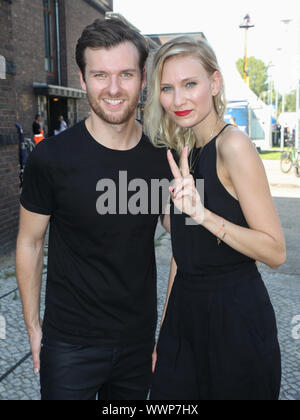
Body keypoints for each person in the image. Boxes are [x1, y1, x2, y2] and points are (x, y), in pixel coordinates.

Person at [16, 18, 172, 401]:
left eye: (126, 74)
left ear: (143, 78)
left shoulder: (163, 158)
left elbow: (188, 245)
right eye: (100, 75)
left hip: (138, 344)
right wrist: (34, 327)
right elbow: (30, 242)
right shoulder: (51, 158)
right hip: (70, 346)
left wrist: (167, 329)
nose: (114, 89)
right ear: (83, 80)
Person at [144, 36, 286, 400]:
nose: (178, 99)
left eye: (190, 84)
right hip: (184, 317)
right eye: (167, 88)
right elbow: (182, 254)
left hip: (234, 318)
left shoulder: (233, 146)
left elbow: (274, 252)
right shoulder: (184, 152)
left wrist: (203, 214)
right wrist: (165, 332)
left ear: (215, 83)